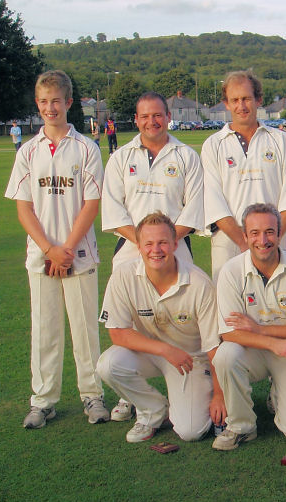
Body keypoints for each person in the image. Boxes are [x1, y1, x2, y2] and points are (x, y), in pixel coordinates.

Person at [4, 69, 108, 429]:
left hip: (79, 256)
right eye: (44, 102)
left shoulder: (86, 148)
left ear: (69, 102)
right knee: (45, 330)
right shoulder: (28, 152)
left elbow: (91, 205)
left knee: (84, 330)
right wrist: (49, 249)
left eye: (57, 101)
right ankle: (43, 400)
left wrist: (66, 249)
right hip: (41, 257)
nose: (51, 107)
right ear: (38, 104)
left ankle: (92, 396)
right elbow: (23, 207)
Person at [101, 91, 205, 421]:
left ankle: (192, 374)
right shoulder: (120, 158)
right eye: (144, 116)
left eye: (157, 115)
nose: (151, 121)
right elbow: (113, 208)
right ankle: (131, 396)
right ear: (136, 119)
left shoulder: (186, 155)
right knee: (129, 322)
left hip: (176, 248)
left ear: (168, 116)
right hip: (130, 249)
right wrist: (146, 243)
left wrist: (165, 243)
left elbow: (195, 206)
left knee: (181, 318)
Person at [96, 212, 226, 443]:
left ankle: (185, 404)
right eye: (148, 243)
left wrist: (219, 394)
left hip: (190, 360)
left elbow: (214, 347)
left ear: (175, 244)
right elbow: (117, 332)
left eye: (163, 242)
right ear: (138, 246)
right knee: (108, 364)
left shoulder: (199, 283)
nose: (156, 250)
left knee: (191, 432)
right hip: (150, 353)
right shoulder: (123, 276)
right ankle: (152, 411)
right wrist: (166, 350)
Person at [212, 204, 286, 450]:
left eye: (270, 232)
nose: (263, 240)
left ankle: (280, 393)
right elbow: (229, 332)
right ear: (245, 236)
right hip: (253, 350)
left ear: (280, 233)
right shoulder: (231, 271)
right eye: (255, 233)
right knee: (226, 355)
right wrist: (273, 342)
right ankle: (241, 426)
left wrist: (259, 330)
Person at [201, 70, 286, 281]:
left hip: (274, 240)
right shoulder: (213, 145)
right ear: (226, 103)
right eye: (234, 100)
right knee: (230, 309)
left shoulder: (280, 140)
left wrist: (267, 239)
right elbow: (213, 201)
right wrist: (245, 242)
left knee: (277, 305)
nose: (241, 106)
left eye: (246, 98)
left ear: (258, 100)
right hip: (228, 242)